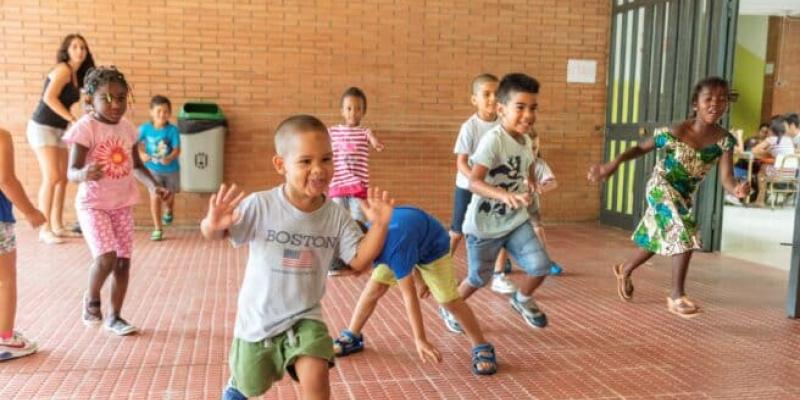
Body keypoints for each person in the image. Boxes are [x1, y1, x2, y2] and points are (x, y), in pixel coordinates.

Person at [200, 115, 394, 400]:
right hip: (259, 320)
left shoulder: (336, 216)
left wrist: (379, 226)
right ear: (281, 165)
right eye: (305, 162)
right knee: (247, 386)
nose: (318, 170)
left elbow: (358, 261)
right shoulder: (261, 205)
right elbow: (221, 234)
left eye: (326, 159)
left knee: (316, 375)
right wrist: (211, 226)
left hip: (305, 316)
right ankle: (235, 387)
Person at [588, 76, 749, 318]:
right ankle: (676, 296)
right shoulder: (676, 131)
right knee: (684, 232)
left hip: (683, 195)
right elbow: (640, 148)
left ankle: (624, 268)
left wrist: (736, 189)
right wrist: (613, 164)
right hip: (661, 187)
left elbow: (726, 178)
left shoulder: (725, 140)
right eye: (708, 99)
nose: (714, 104)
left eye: (722, 99)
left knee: (657, 237)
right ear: (696, 103)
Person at [438, 73, 552, 332]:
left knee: (541, 265)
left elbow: (529, 162)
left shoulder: (525, 140)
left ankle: (522, 299)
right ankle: (448, 307)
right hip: (484, 225)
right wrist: (504, 195)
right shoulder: (493, 140)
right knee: (479, 277)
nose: (528, 115)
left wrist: (532, 180)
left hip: (515, 221)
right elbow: (474, 182)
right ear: (501, 110)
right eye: (520, 107)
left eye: (533, 108)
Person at [64, 66, 171, 335]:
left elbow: (136, 166)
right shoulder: (86, 128)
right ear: (91, 99)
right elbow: (71, 171)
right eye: (107, 98)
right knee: (107, 257)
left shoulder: (128, 129)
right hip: (94, 205)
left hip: (121, 205)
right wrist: (83, 173)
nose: (115, 104)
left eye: (121, 97)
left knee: (123, 261)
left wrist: (155, 187)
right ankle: (91, 299)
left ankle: (115, 317)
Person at [332, 206, 497, 375]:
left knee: (448, 300)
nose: (355, 275)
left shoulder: (394, 249)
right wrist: (419, 279)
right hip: (408, 237)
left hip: (433, 247)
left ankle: (481, 345)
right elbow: (407, 254)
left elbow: (408, 295)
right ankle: (352, 335)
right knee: (373, 288)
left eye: (355, 269)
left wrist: (420, 339)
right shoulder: (367, 234)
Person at [26, 34, 95, 244]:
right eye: (75, 47)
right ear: (67, 50)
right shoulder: (63, 70)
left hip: (59, 129)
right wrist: (72, 118)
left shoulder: (77, 74)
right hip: (42, 127)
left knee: (64, 178)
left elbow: (85, 100)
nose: (80, 51)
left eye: (83, 47)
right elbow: (49, 98)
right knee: (52, 176)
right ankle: (44, 228)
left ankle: (58, 225)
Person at [491, 129, 561, 295]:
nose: (533, 151)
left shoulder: (540, 164)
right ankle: (499, 271)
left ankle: (546, 261)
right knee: (506, 236)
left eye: (536, 148)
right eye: (530, 148)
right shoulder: (511, 163)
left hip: (531, 205)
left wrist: (543, 187)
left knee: (538, 228)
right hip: (512, 205)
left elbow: (553, 182)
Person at [328, 87, 385, 276]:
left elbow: (373, 140)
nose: (353, 112)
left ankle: (358, 259)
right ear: (342, 111)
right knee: (338, 221)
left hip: (358, 186)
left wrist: (376, 144)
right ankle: (337, 260)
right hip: (338, 185)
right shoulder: (333, 131)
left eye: (358, 108)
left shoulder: (364, 132)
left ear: (363, 111)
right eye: (349, 108)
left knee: (357, 222)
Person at [0, 128, 46, 361]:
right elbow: (6, 180)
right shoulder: (1, 136)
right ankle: (5, 338)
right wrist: (30, 211)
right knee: (5, 279)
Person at [450, 74, 499, 256]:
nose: (493, 98)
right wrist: (476, 181)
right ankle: (441, 268)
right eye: (486, 94)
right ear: (474, 99)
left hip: (492, 188)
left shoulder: (503, 125)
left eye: (497, 94)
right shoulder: (469, 127)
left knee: (496, 230)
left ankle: (498, 270)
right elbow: (461, 162)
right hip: (467, 186)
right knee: (457, 232)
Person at [138, 95, 181, 241]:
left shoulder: (172, 130)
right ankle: (157, 228)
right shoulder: (144, 129)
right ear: (151, 112)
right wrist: (141, 153)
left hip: (171, 170)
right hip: (152, 169)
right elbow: (134, 144)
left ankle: (169, 210)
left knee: (169, 197)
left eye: (166, 111)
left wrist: (169, 158)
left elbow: (177, 150)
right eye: (159, 111)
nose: (162, 114)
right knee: (155, 196)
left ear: (169, 113)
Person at [752, 117, 797, 206]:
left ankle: (760, 200)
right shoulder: (789, 140)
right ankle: (760, 200)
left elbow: (754, 150)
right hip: (791, 174)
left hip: (779, 174)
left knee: (762, 171)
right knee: (765, 168)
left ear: (772, 130)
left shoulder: (771, 139)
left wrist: (767, 151)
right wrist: (771, 152)